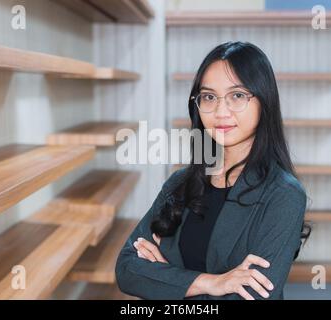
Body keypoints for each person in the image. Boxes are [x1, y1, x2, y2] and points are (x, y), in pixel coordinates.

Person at [115, 41, 310, 300]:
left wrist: (166, 279)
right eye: (208, 97)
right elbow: (127, 269)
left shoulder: (283, 195)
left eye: (237, 95)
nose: (220, 111)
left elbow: (253, 296)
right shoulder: (179, 183)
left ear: (264, 101)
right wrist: (211, 283)